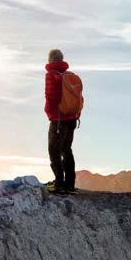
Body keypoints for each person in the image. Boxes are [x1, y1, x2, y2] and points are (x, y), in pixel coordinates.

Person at [44, 49, 81, 193]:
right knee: (67, 150)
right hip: (71, 119)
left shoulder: (51, 75)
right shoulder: (70, 76)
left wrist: (48, 111)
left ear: (50, 60)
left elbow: (51, 97)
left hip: (58, 120)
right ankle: (69, 185)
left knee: (54, 152)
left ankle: (59, 184)